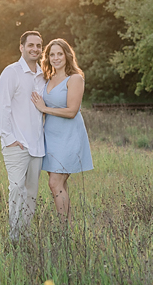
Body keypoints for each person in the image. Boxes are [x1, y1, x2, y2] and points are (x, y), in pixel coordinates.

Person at [31, 38, 93, 221]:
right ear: (47, 58)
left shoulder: (74, 78)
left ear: (67, 55)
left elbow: (72, 111)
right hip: (51, 137)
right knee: (59, 183)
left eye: (59, 54)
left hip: (69, 136)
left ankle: (61, 228)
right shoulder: (47, 78)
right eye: (52, 54)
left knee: (54, 182)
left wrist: (44, 109)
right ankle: (66, 224)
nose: (56, 58)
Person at [0, 30, 46, 241]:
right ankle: (13, 238)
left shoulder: (43, 75)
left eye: (38, 46)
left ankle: (25, 237)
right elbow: (2, 106)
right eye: (31, 45)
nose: (35, 49)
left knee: (31, 194)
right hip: (16, 144)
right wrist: (9, 139)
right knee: (17, 189)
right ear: (21, 47)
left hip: (37, 145)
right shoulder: (11, 72)